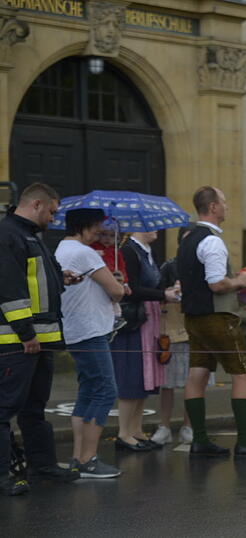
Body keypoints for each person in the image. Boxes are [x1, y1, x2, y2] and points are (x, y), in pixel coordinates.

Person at [178, 186, 246, 460]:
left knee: (197, 374)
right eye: (223, 202)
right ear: (213, 207)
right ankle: (245, 442)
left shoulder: (187, 237)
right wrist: (241, 281)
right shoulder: (212, 241)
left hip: (193, 318)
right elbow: (216, 283)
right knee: (244, 375)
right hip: (217, 317)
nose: (227, 206)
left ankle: (199, 440)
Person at [0, 183, 83, 495]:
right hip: (18, 343)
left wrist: (62, 278)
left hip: (40, 341)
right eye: (51, 211)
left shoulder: (30, 236)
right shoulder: (8, 234)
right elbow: (9, 289)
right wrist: (26, 334)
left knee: (35, 409)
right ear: (36, 204)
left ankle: (44, 466)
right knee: (3, 411)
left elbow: (34, 280)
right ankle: (4, 477)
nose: (53, 218)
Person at [56, 208, 126, 478]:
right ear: (84, 225)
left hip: (74, 329)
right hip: (90, 330)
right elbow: (116, 291)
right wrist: (118, 284)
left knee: (87, 390)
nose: (100, 230)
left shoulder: (61, 249)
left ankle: (78, 457)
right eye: (97, 225)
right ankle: (88, 459)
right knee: (105, 391)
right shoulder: (84, 253)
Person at [111, 230, 179, 452]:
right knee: (132, 373)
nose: (156, 229)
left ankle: (136, 429)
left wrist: (166, 290)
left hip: (149, 317)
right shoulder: (129, 251)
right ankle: (124, 433)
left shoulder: (147, 251)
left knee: (144, 375)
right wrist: (163, 295)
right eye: (149, 224)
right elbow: (131, 290)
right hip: (135, 320)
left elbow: (152, 285)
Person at [152, 224, 197, 445]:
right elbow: (157, 295)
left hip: (196, 329)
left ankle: (189, 425)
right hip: (172, 330)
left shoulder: (206, 266)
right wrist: (172, 292)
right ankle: (165, 426)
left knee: (194, 380)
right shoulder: (170, 266)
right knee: (167, 382)